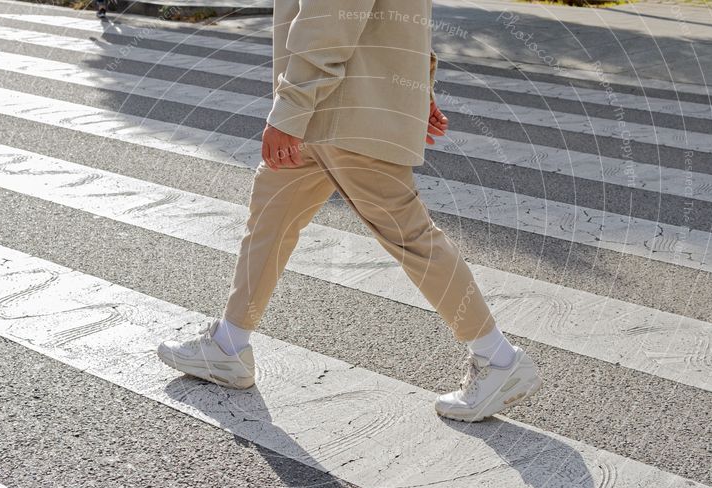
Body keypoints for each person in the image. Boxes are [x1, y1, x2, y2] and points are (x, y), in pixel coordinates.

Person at [157, 0, 543, 422]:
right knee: (270, 217)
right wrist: (416, 86)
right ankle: (228, 346)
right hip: (341, 105)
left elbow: (330, 15)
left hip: (339, 107)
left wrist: (290, 108)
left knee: (410, 234)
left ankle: (498, 359)